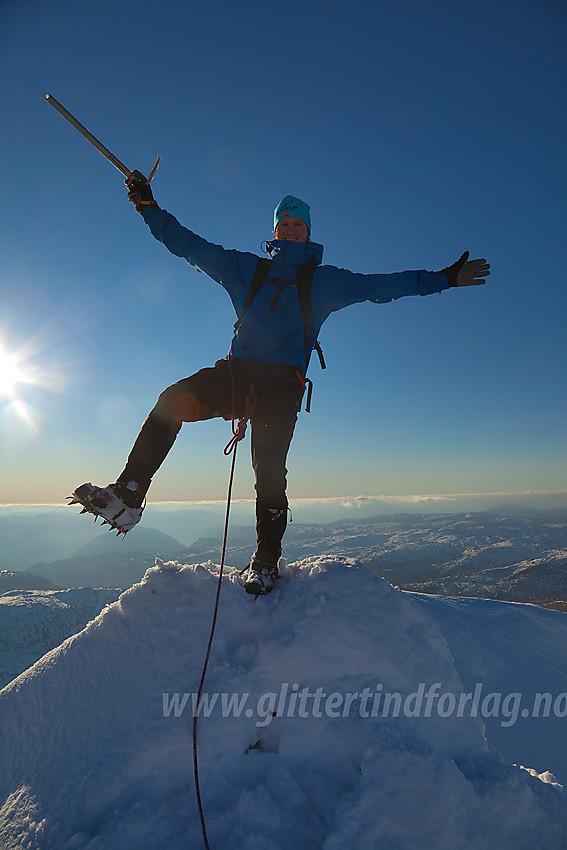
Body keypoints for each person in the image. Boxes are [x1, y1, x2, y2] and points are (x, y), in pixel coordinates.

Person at [70, 175, 490, 595]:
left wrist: (444, 279)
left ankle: (265, 562)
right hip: (238, 373)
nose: (290, 230)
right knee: (172, 401)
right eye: (284, 225)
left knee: (269, 472)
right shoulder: (247, 269)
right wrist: (148, 207)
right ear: (275, 232)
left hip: (281, 386)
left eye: (297, 225)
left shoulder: (326, 281)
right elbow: (190, 246)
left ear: (308, 233)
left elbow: (382, 286)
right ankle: (128, 495)